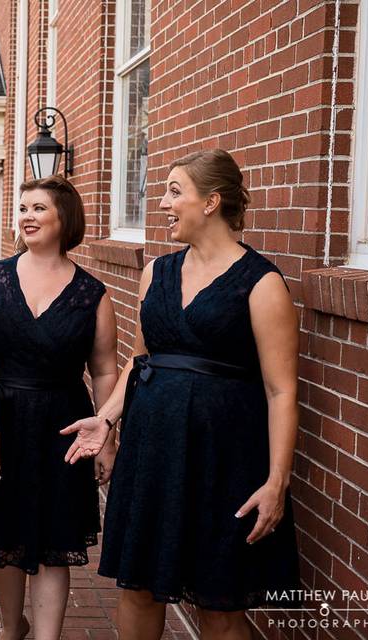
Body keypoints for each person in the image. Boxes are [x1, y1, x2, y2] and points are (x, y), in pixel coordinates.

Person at [82, 149, 300, 639]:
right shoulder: (155, 273)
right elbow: (140, 362)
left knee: (218, 599)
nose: (162, 203)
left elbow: (282, 390)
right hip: (153, 452)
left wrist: (276, 482)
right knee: (136, 586)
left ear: (212, 202)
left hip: (224, 460)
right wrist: (108, 419)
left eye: (174, 191)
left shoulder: (262, 283)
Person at [0, 175, 119, 640]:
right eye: (22, 208)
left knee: (54, 538)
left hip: (62, 426)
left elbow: (105, 370)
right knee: (1, 532)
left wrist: (108, 437)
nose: (26, 216)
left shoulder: (93, 295)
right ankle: (12, 628)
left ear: (65, 217)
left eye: (39, 208)